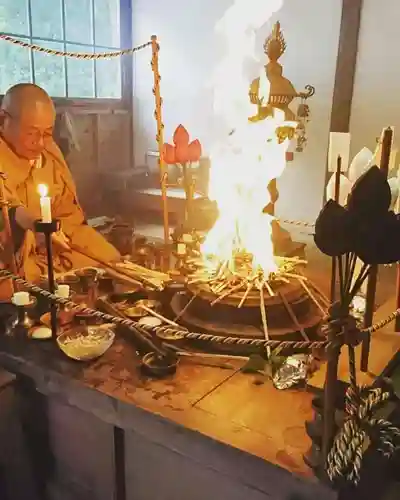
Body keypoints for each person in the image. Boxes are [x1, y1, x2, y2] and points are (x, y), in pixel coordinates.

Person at [0, 83, 120, 286]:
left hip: (54, 248)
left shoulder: (49, 152)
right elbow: (9, 209)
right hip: (14, 254)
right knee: (12, 283)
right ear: (3, 120)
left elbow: (69, 215)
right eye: (31, 133)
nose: (39, 143)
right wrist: (34, 226)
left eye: (47, 133)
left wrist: (59, 235)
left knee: (110, 258)